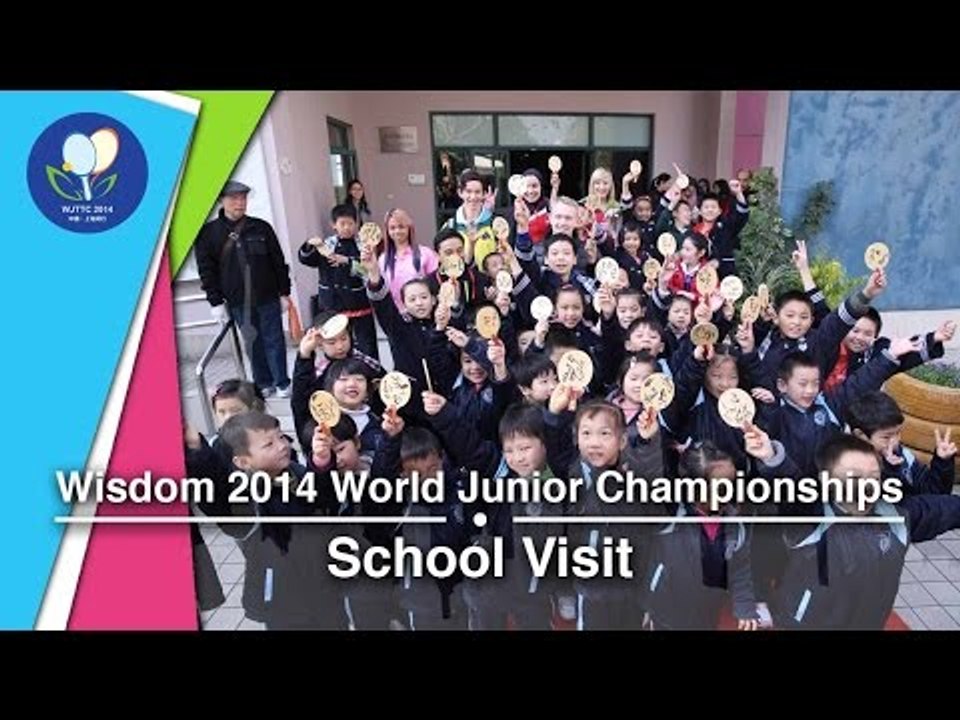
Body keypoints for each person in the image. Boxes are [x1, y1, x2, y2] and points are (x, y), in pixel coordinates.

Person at [195, 180, 292, 398]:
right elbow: (206, 270)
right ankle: (263, 383)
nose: (240, 203)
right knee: (252, 342)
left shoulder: (261, 227)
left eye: (243, 198)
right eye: (234, 198)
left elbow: (278, 261)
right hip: (238, 301)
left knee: (275, 339)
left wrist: (284, 292)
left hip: (268, 296)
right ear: (221, 200)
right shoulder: (209, 234)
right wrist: (216, 302)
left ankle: (282, 382)